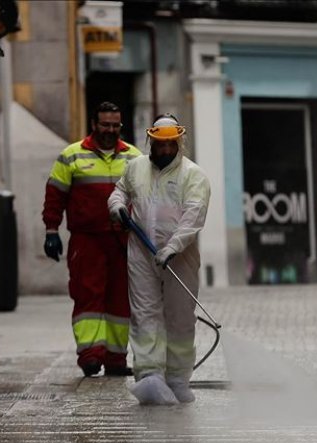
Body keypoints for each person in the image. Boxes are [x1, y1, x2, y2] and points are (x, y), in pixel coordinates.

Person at [108, 114, 211, 405]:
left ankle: (177, 379)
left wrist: (173, 247)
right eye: (160, 144)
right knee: (145, 315)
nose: (165, 150)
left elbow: (194, 216)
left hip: (180, 258)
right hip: (141, 253)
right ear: (150, 141)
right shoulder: (135, 168)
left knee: (179, 318)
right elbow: (119, 191)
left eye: (170, 144)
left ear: (179, 142)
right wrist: (116, 206)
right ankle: (150, 377)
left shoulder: (194, 175)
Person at [42, 102, 141, 377]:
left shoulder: (134, 157)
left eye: (115, 125)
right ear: (94, 124)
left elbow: (146, 198)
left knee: (120, 302)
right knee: (88, 297)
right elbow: (55, 194)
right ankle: (90, 355)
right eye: (105, 125)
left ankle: (115, 359)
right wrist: (52, 230)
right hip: (87, 242)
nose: (110, 130)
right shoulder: (71, 156)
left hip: (122, 242)